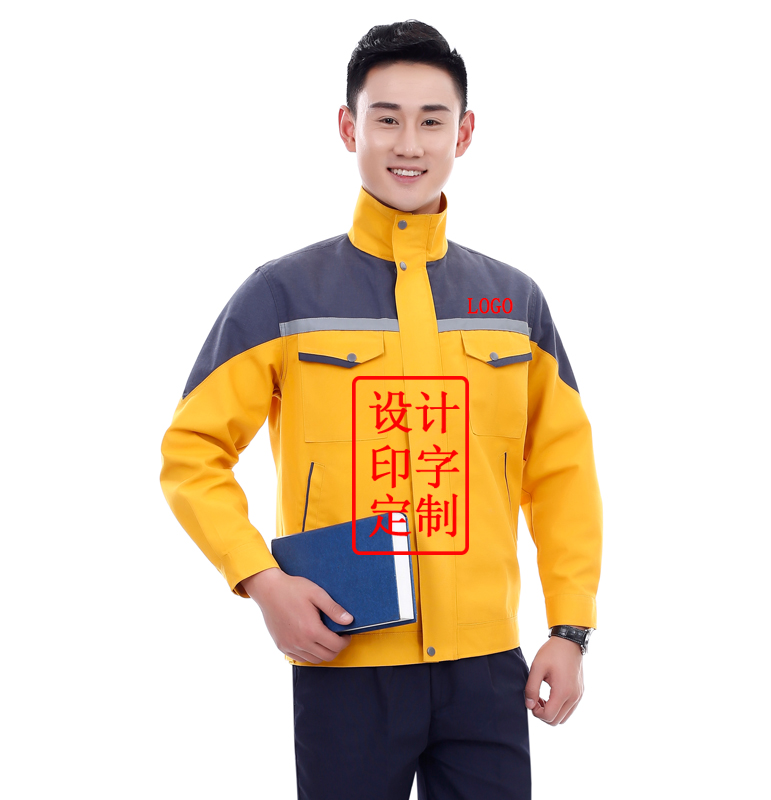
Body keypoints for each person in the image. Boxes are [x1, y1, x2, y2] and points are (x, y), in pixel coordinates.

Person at [160, 19, 602, 800]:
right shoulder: (283, 294)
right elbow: (191, 452)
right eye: (386, 118)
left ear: (464, 133)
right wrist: (262, 581)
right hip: (346, 656)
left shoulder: (514, 302)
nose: (409, 143)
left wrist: (570, 628)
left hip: (485, 665)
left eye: (432, 120)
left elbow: (562, 474)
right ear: (348, 128)